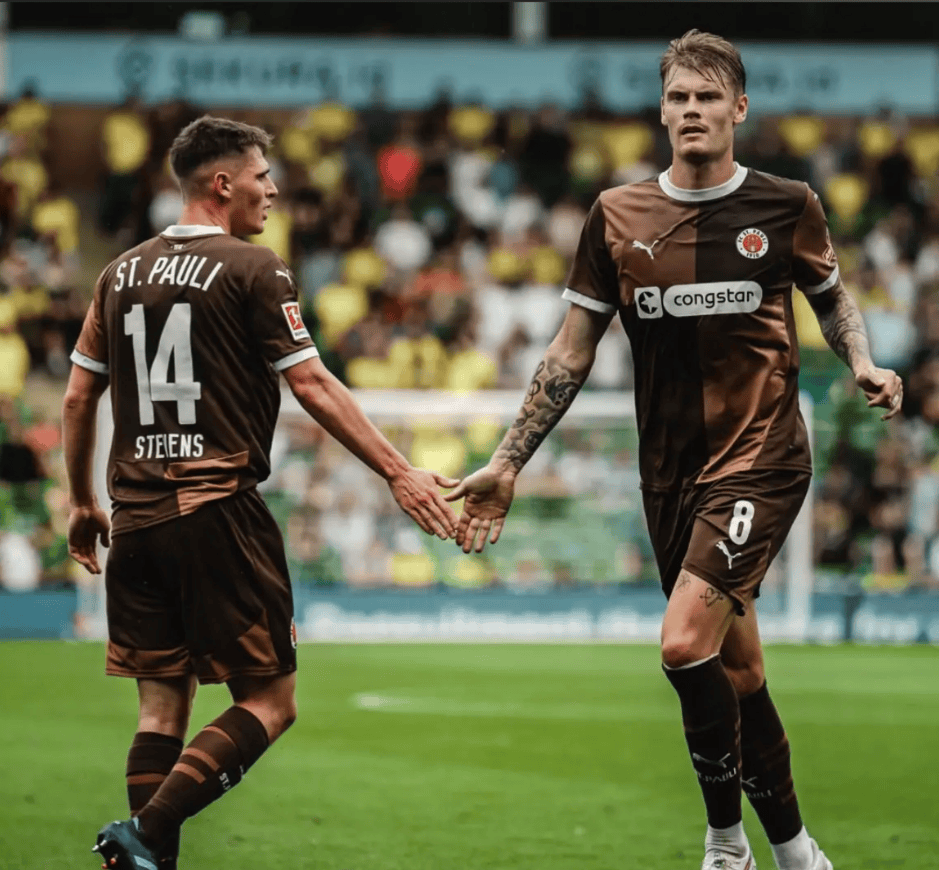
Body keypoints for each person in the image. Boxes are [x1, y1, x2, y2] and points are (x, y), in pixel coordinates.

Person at [446, 30, 903, 870]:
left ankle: (725, 846)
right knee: (739, 670)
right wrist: (507, 461)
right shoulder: (616, 215)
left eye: (707, 97)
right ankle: (798, 853)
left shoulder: (785, 204)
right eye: (677, 98)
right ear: (661, 112)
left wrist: (862, 362)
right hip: (668, 476)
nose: (691, 110)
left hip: (762, 456)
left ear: (738, 108)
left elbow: (832, 299)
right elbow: (569, 352)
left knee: (682, 644)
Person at [62, 115, 459, 870]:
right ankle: (142, 835)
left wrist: (82, 502)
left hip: (134, 519)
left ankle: (147, 860)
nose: (272, 190)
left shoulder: (118, 274)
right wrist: (398, 471)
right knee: (271, 702)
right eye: (261, 176)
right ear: (222, 184)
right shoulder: (253, 267)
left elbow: (80, 396)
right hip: (214, 510)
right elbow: (310, 382)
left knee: (161, 708)